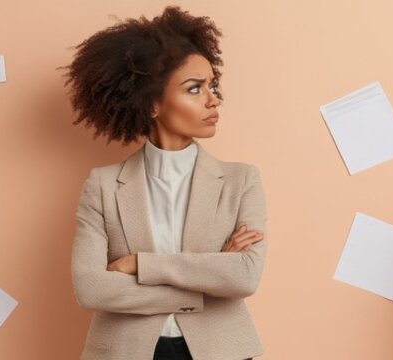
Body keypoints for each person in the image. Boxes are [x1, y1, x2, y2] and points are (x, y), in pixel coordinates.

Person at [65, 6, 266, 360]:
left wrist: (141, 265)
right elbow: (91, 288)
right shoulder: (103, 185)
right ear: (153, 104)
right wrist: (206, 281)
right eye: (194, 88)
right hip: (124, 350)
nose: (212, 99)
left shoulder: (241, 180)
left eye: (212, 85)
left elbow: (244, 278)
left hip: (222, 350)